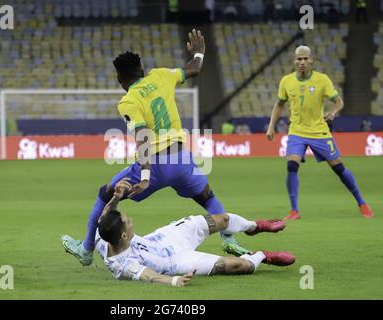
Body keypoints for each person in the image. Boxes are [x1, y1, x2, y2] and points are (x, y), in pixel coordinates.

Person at [62, 29, 251, 267]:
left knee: (105, 193)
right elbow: (193, 69)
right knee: (207, 197)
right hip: (182, 160)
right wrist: (200, 53)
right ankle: (229, 238)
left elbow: (142, 137)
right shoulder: (161, 75)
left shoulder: (128, 100)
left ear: (120, 79)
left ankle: (87, 249)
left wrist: (145, 176)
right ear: (142, 70)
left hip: (156, 165)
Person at [62, 179, 295, 286]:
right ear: (123, 236)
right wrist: (174, 281)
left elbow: (104, 215)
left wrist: (115, 196)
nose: (130, 220)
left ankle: (255, 226)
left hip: (165, 238)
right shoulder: (123, 265)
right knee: (239, 266)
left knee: (221, 219)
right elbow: (149, 276)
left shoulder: (104, 234)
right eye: (128, 222)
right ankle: (263, 255)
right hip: (177, 262)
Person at [266, 46, 374, 220]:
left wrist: (332, 112)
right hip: (297, 131)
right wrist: (271, 126)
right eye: (299, 59)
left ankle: (362, 203)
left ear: (311, 61)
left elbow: (339, 102)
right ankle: (294, 211)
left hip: (319, 131)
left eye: (305, 59)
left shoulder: (322, 80)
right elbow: (279, 104)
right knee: (291, 165)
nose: (302, 62)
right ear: (294, 61)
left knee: (338, 167)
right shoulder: (286, 81)